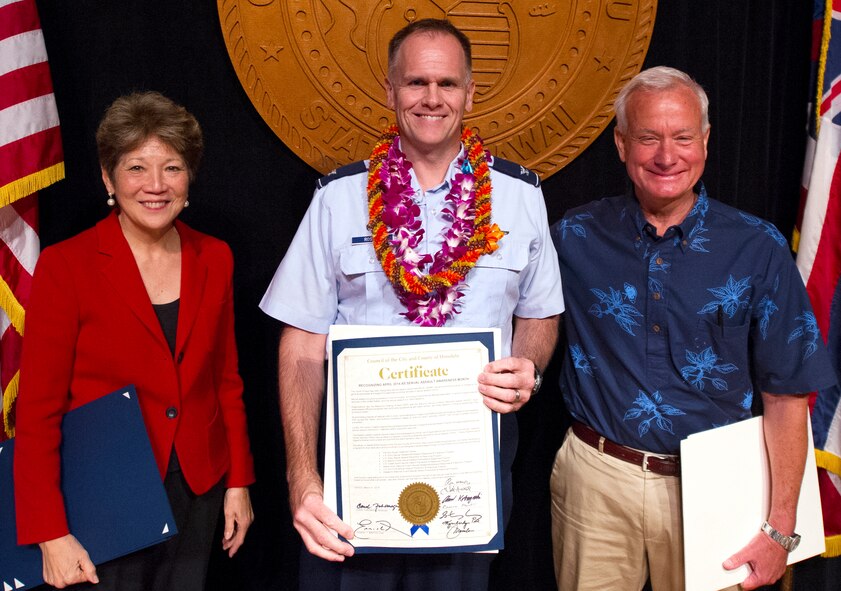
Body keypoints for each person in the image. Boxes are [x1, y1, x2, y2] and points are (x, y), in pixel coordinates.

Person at [259, 18, 563, 589]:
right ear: (390, 90)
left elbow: (540, 312)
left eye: (447, 84)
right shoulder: (338, 198)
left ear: (470, 93)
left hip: (468, 463)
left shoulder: (521, 198)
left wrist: (529, 366)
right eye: (415, 82)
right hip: (356, 470)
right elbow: (301, 346)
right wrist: (302, 476)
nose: (431, 98)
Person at [549, 66, 838, 591]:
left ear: (704, 141)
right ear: (620, 143)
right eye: (648, 138)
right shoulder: (573, 236)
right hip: (596, 479)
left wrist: (781, 527)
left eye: (683, 137)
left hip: (721, 486)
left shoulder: (758, 247)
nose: (666, 155)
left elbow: (787, 395)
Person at [13, 91, 255, 590]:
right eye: (136, 168)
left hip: (197, 488)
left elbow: (226, 380)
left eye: (172, 168)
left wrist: (238, 482)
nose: (155, 185)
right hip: (101, 497)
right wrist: (49, 533)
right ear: (108, 178)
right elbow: (37, 411)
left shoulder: (216, 257)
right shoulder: (66, 266)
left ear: (189, 178)